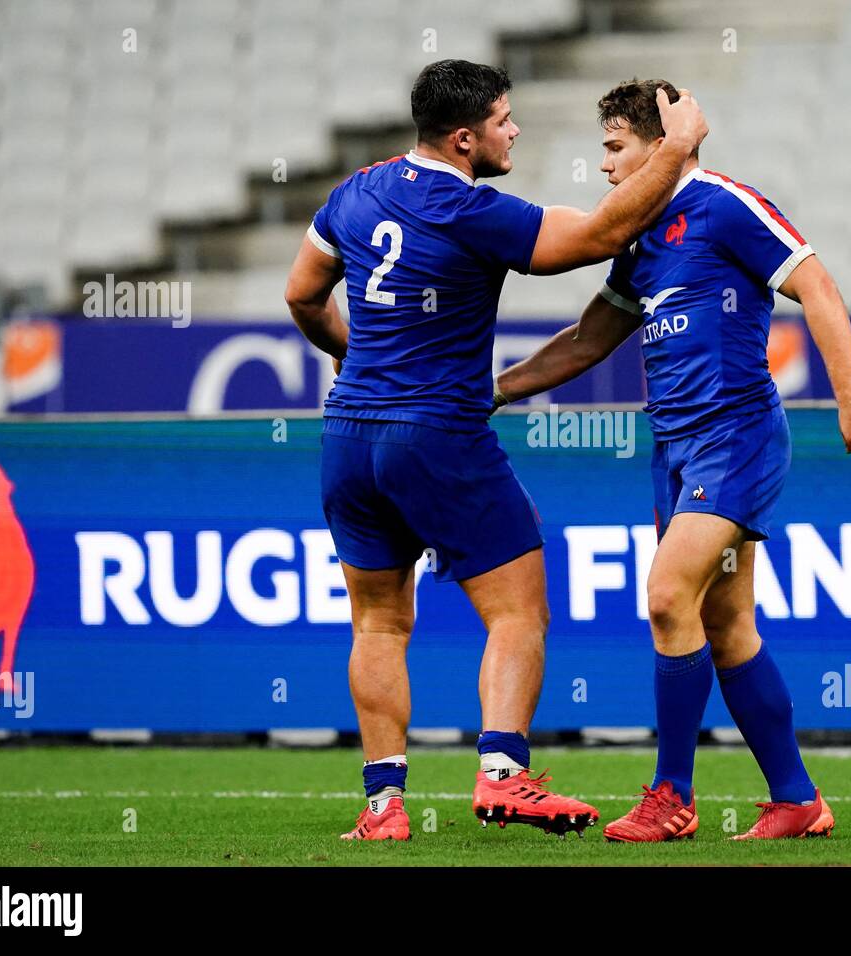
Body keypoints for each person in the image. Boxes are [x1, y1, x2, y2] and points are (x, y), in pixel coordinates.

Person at [283, 61, 708, 841]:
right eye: (505, 120)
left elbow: (302, 294)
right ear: (464, 137)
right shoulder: (469, 207)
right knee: (518, 610)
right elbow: (603, 234)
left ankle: (382, 810)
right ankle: (505, 772)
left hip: (347, 434)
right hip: (437, 431)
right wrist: (676, 149)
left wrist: (355, 359)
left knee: (377, 624)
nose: (515, 131)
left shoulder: (356, 189)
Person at [495, 79, 851, 842]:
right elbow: (587, 339)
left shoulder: (723, 203)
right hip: (674, 449)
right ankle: (798, 800)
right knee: (727, 623)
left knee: (668, 595)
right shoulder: (638, 236)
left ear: (658, 141)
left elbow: (818, 285)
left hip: (736, 435)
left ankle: (671, 796)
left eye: (615, 148)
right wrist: (498, 390)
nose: (605, 167)